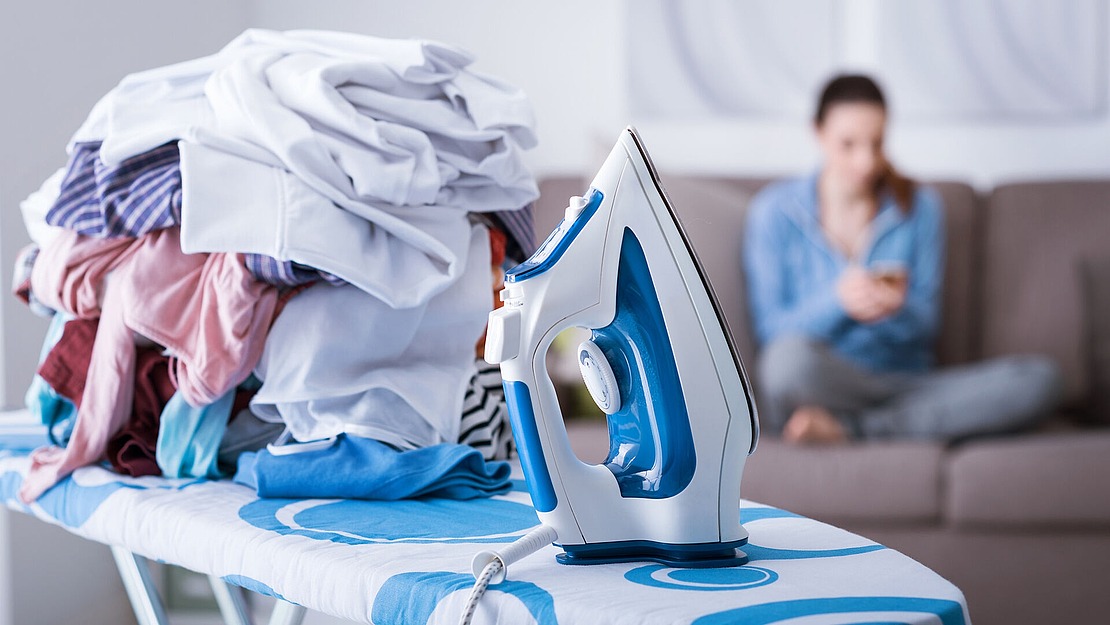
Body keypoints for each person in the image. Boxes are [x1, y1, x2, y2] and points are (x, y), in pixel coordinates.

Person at [743, 74, 1062, 444]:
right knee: (784, 364)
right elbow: (772, 332)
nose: (866, 161)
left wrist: (898, 308)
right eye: (848, 144)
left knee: (1040, 380)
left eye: (876, 144)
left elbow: (927, 324)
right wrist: (839, 303)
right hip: (827, 378)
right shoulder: (774, 213)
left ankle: (854, 428)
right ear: (818, 132)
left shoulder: (920, 208)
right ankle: (907, 424)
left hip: (906, 383)